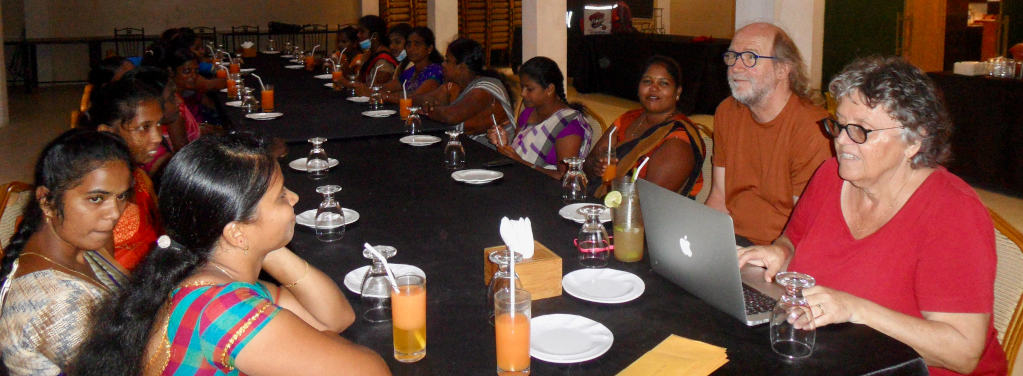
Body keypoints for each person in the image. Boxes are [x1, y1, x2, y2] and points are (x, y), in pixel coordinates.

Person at [738, 56, 1007, 376]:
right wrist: (779, 251)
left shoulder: (953, 212)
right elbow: (793, 238)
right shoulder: (830, 176)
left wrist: (853, 308)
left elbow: (963, 352)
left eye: (861, 131)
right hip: (838, 357)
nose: (840, 140)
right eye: (838, 124)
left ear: (914, 141)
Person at [71, 134, 390, 376]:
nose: (294, 198)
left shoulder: (207, 273)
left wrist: (263, 246)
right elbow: (371, 370)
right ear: (235, 232)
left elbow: (334, 318)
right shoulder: (220, 308)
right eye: (280, 197)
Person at [0, 129, 133, 376]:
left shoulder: (79, 245)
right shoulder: (58, 302)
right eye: (96, 198)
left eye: (121, 196)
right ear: (47, 202)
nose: (114, 213)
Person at [704, 22, 833, 245]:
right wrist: (697, 240)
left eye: (750, 57)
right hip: (729, 243)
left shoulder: (813, 129)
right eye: (732, 56)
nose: (735, 67)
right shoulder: (727, 112)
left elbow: (805, 228)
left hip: (779, 251)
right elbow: (719, 197)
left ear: (783, 69)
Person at [583, 55, 706, 198]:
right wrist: (596, 167)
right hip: (608, 204)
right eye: (647, 81)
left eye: (664, 83)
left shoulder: (678, 140)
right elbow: (588, 165)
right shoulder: (628, 118)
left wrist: (616, 177)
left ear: (677, 92)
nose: (654, 88)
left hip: (651, 216)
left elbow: (649, 201)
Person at [83, 79, 165, 270]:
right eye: (144, 127)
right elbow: (104, 275)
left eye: (159, 124)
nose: (158, 137)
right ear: (107, 132)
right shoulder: (95, 196)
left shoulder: (139, 176)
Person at [487, 56, 594, 178]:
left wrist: (521, 163)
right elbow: (521, 152)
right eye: (522, 87)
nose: (522, 94)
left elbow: (564, 176)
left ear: (549, 89)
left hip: (547, 191)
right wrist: (503, 143)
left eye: (529, 89)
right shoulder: (528, 113)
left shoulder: (569, 125)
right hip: (520, 178)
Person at [416, 38, 515, 148]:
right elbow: (422, 100)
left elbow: (450, 117)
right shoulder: (455, 86)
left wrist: (429, 111)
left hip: (493, 155)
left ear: (462, 67)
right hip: (470, 148)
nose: (443, 64)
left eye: (447, 61)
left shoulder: (485, 87)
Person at [380, 26, 444, 103]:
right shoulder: (410, 71)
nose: (411, 49)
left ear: (429, 48)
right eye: (408, 44)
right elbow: (385, 88)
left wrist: (387, 96)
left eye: (417, 44)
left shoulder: (436, 71)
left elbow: (414, 99)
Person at [355, 15, 397, 86]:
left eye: (362, 32)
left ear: (374, 36)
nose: (358, 35)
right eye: (358, 31)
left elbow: (376, 87)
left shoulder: (383, 60)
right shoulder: (369, 54)